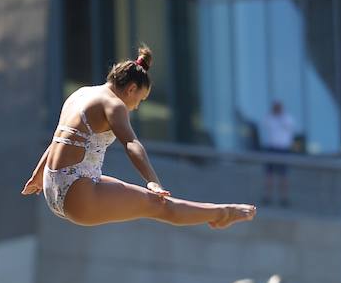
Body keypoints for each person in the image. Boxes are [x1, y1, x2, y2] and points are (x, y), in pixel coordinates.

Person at [22, 46, 255, 228]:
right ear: (131, 89)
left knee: (147, 200)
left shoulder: (81, 94)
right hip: (76, 195)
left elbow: (58, 139)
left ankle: (221, 212)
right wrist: (152, 180)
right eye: (139, 100)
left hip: (54, 186)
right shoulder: (113, 105)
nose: (136, 107)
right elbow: (132, 144)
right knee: (160, 206)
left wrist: (37, 175)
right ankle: (223, 213)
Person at [256, 99, 297, 206]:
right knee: (269, 174)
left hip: (283, 149)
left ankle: (284, 198)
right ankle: (267, 196)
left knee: (283, 175)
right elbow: (264, 125)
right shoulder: (269, 118)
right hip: (271, 148)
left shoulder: (287, 118)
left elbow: (289, 127)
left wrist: (280, 117)